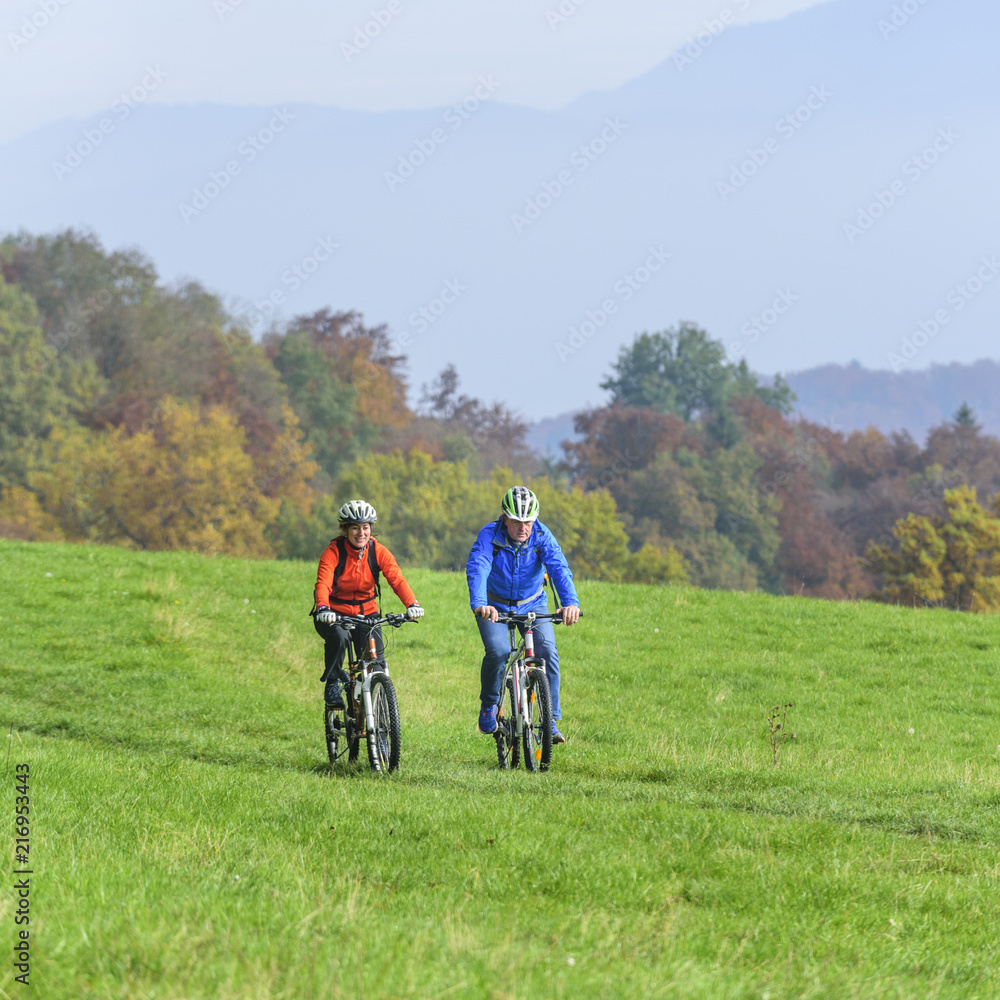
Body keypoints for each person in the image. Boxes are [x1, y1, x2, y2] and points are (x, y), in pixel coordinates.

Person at [466, 485, 580, 743]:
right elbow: (478, 566)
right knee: (499, 651)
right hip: (494, 605)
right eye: (516, 521)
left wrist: (570, 602)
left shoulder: (542, 535)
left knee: (547, 650)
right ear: (504, 518)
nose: (523, 528)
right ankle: (490, 705)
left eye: (528, 521)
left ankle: (549, 721)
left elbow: (559, 567)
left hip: (532, 603)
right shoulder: (489, 535)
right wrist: (480, 603)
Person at [312, 499, 423, 709]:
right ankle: (333, 683)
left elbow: (397, 579)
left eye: (365, 527)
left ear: (371, 529)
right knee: (339, 636)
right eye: (355, 527)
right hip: (335, 615)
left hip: (367, 615)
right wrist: (323, 607)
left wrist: (412, 604)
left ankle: (378, 719)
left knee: (376, 666)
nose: (361, 533)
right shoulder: (333, 551)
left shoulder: (378, 551)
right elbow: (323, 582)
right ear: (345, 529)